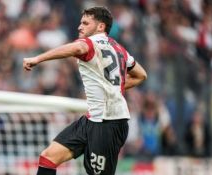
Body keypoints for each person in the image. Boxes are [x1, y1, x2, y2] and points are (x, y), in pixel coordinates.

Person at [23, 6, 147, 175]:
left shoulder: (89, 43)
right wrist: (114, 88)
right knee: (48, 157)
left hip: (108, 122)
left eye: (85, 23)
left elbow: (77, 49)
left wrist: (38, 58)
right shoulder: (119, 48)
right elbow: (141, 75)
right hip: (92, 119)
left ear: (100, 27)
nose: (79, 27)